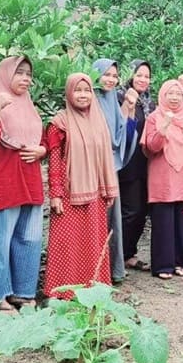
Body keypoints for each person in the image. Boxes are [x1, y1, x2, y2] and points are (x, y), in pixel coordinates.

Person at [0, 56, 46, 313]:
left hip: (30, 178)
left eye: (28, 74)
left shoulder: (30, 106)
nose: (25, 79)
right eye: (19, 73)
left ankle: (23, 291)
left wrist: (42, 150)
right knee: (0, 240)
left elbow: (42, 138)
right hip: (4, 179)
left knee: (29, 237)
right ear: (6, 75)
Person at [44, 73, 119, 300]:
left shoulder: (98, 121)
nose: (83, 95)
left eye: (87, 90)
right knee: (68, 245)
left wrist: (109, 187)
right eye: (78, 90)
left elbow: (105, 158)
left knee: (93, 244)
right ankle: (63, 293)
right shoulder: (60, 123)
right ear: (69, 93)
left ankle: (92, 290)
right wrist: (55, 193)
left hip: (95, 193)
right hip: (69, 194)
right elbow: (54, 160)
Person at [142, 80, 183, 279]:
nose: (174, 97)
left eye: (178, 94)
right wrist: (164, 125)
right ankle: (162, 266)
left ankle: (178, 262)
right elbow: (152, 147)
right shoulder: (154, 117)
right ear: (163, 95)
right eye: (170, 93)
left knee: (182, 225)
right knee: (163, 224)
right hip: (162, 178)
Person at [93, 59, 135, 282]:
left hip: (110, 166)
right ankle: (93, 270)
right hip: (93, 167)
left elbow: (120, 134)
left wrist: (128, 108)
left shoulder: (111, 99)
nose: (110, 79)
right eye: (106, 74)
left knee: (112, 217)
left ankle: (111, 269)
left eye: (114, 75)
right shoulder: (90, 98)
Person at [118, 59, 154, 272]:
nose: (143, 79)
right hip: (127, 163)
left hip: (145, 164)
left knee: (141, 211)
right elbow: (121, 129)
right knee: (130, 210)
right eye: (139, 75)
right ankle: (119, 255)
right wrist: (128, 104)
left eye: (146, 76)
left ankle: (129, 253)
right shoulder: (120, 97)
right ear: (130, 76)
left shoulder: (148, 102)